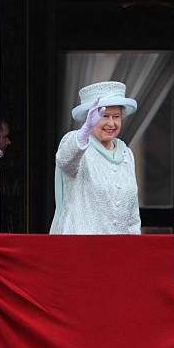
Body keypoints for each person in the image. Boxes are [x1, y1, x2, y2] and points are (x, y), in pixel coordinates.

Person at [50, 81, 141, 234]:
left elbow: (133, 214)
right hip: (81, 249)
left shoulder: (127, 153)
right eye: (104, 116)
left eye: (116, 116)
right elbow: (64, 161)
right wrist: (85, 130)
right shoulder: (76, 143)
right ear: (90, 117)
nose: (111, 123)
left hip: (117, 251)